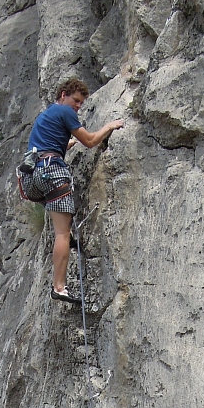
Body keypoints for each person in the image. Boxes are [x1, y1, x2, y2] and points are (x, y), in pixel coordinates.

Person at [25, 78, 124, 304]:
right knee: (61, 233)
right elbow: (90, 141)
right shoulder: (65, 112)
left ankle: (68, 236)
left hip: (31, 178)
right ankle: (59, 287)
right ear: (63, 95)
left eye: (81, 103)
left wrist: (66, 144)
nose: (77, 106)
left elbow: (47, 143)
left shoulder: (47, 114)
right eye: (75, 100)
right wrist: (109, 126)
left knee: (62, 225)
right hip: (52, 174)